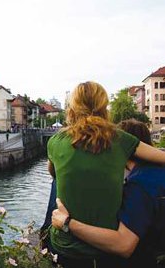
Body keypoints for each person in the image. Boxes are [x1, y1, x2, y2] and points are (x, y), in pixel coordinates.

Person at [47, 81, 165, 267]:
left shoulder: (55, 141)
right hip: (105, 250)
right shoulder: (121, 140)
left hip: (65, 246)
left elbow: (53, 173)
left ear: (72, 108)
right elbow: (160, 157)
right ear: (104, 106)